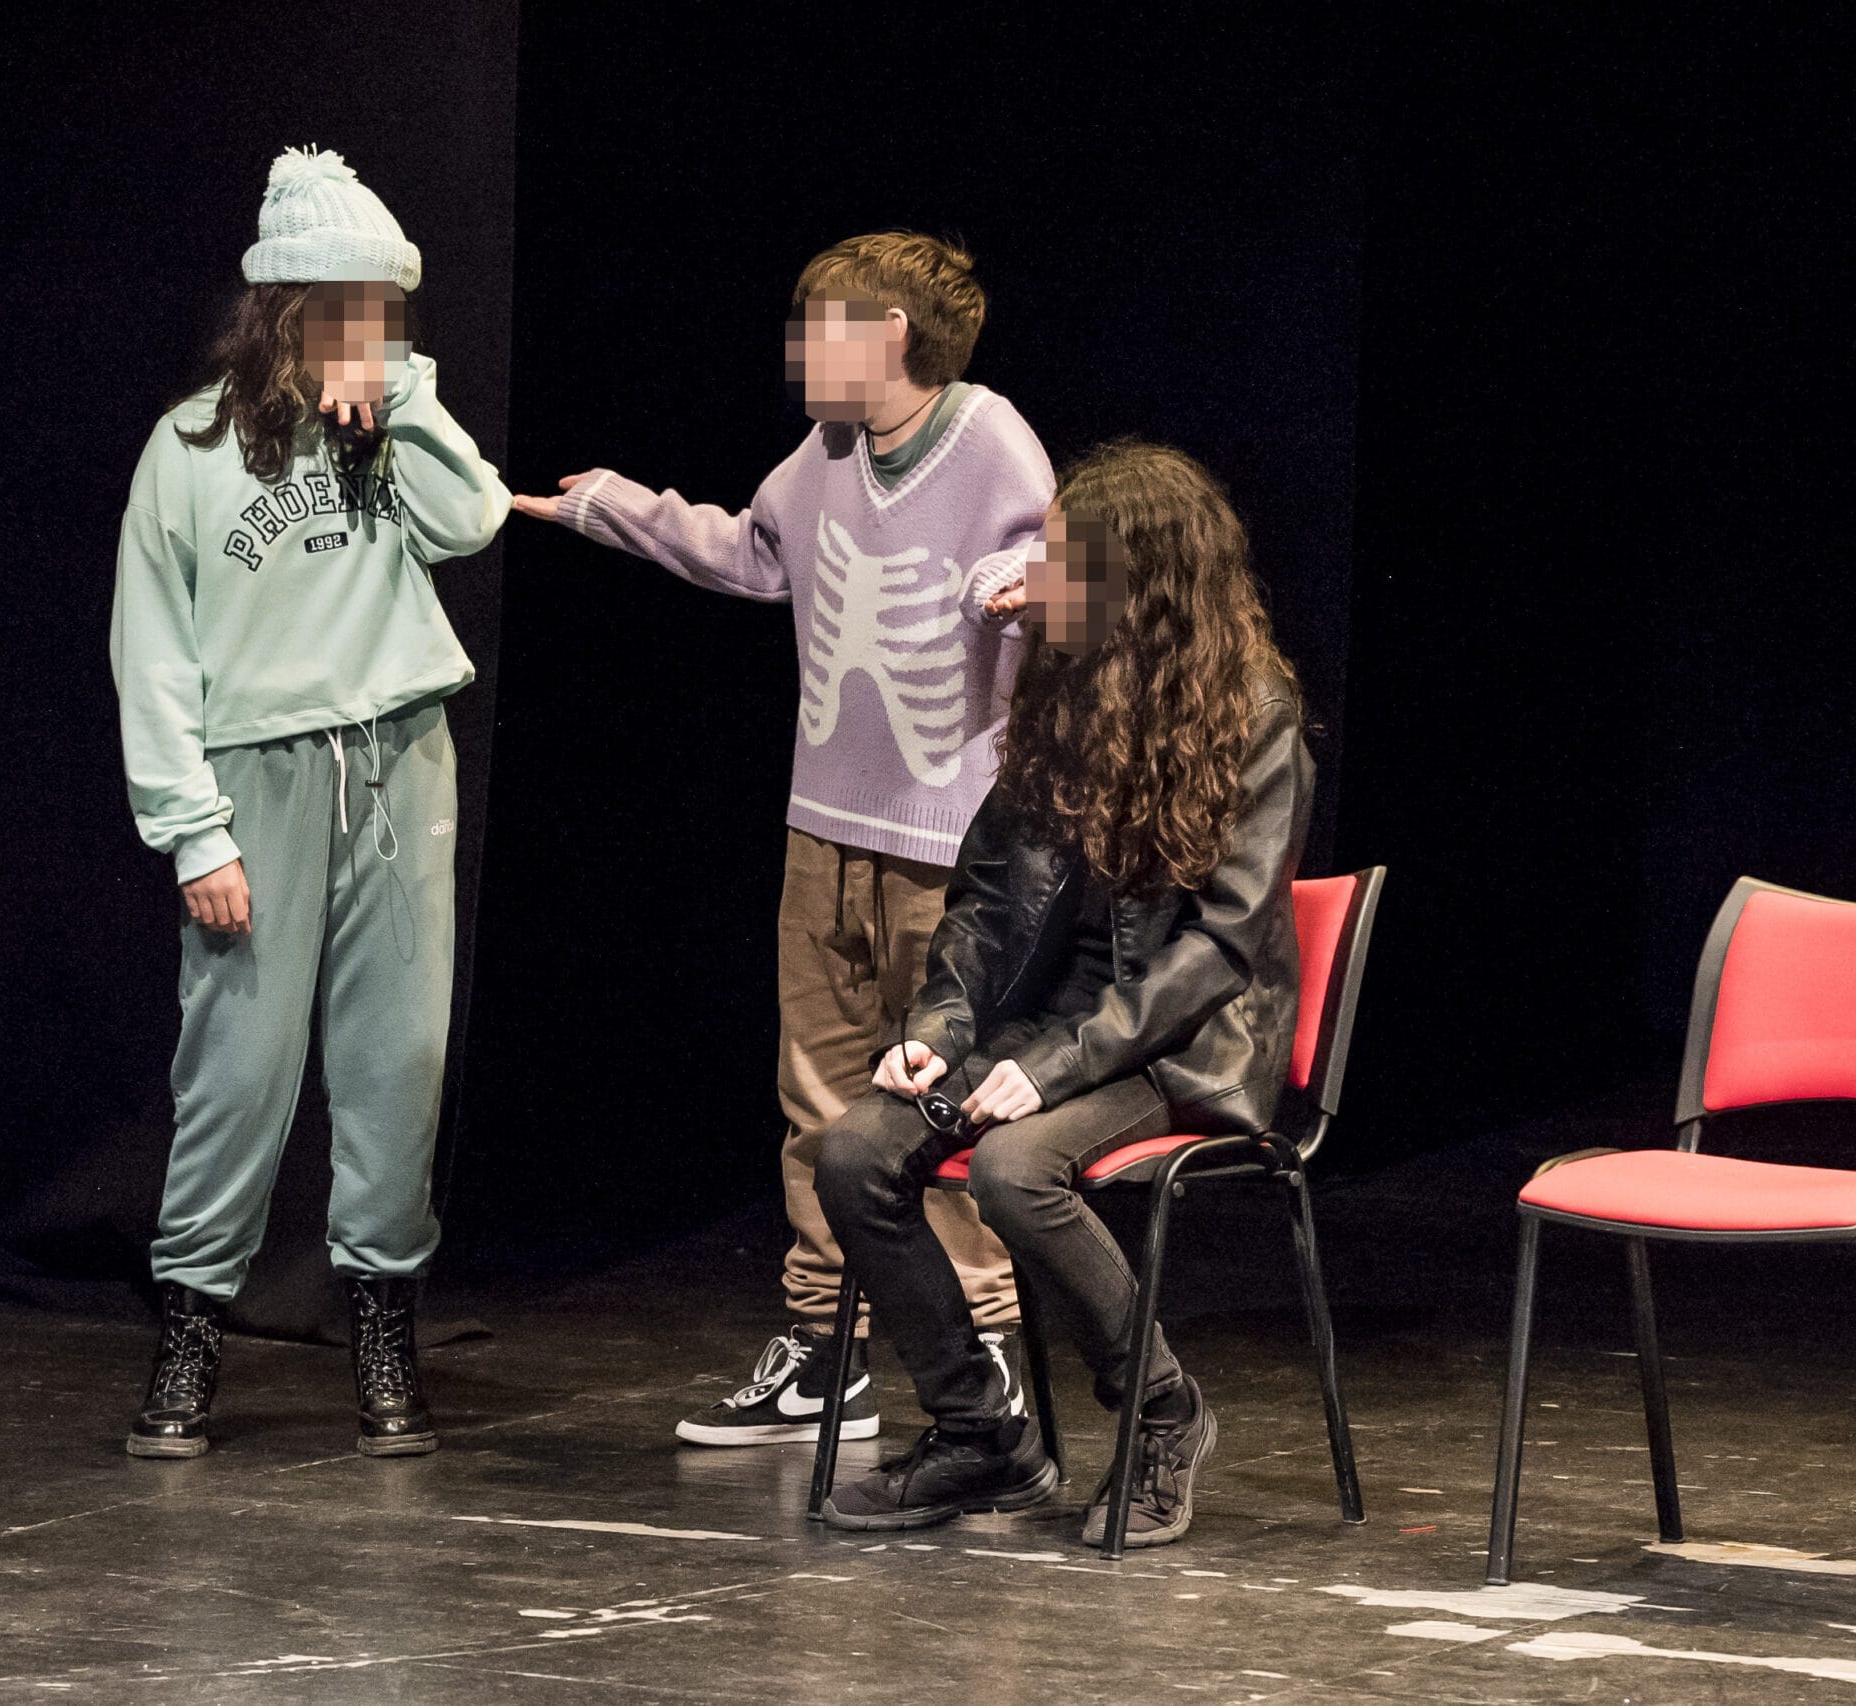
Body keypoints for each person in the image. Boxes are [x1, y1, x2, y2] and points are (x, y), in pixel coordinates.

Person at [513, 234, 1051, 1446]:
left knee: (949, 1098)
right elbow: (758, 555)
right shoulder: (826, 451)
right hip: (825, 830)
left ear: (892, 337)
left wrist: (1017, 584)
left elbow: (1059, 567)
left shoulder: (989, 437)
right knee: (814, 1101)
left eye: (820, 326)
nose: (798, 350)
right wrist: (611, 507)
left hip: (948, 847)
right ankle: (824, 1348)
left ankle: (986, 1344)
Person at [814, 441, 1315, 1548]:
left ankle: (1162, 1408)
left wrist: (1047, 1068)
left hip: (1176, 1040)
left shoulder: (1255, 710)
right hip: (1042, 1025)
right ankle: (980, 1431)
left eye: (1068, 562)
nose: (1046, 582)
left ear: (1147, 576)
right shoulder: (1065, 686)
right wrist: (938, 1028)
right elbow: (986, 898)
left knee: (1014, 1167)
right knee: (854, 1153)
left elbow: (1220, 946)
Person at [109, 147, 510, 1458]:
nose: (376, 330)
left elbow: (475, 516)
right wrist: (193, 831)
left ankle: (382, 1322)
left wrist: (401, 403)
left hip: (398, 758)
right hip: (255, 781)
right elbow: (151, 655)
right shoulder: (187, 449)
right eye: (355, 308)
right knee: (237, 1066)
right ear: (290, 308)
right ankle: (191, 1328)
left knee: (399, 1061)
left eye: (389, 311)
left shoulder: (383, 433)